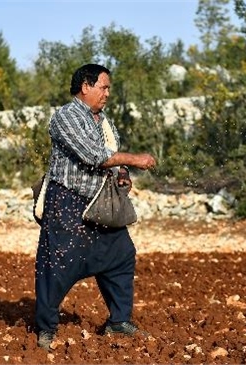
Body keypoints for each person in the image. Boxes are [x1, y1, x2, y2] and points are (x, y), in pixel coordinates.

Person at [34, 63, 157, 351]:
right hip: (67, 203)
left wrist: (124, 174)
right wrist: (136, 159)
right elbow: (94, 156)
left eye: (109, 88)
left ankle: (118, 321)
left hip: (100, 201)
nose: (107, 93)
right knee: (58, 266)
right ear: (85, 86)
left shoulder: (103, 121)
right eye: (103, 87)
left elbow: (113, 161)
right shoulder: (65, 117)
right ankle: (46, 328)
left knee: (121, 255)